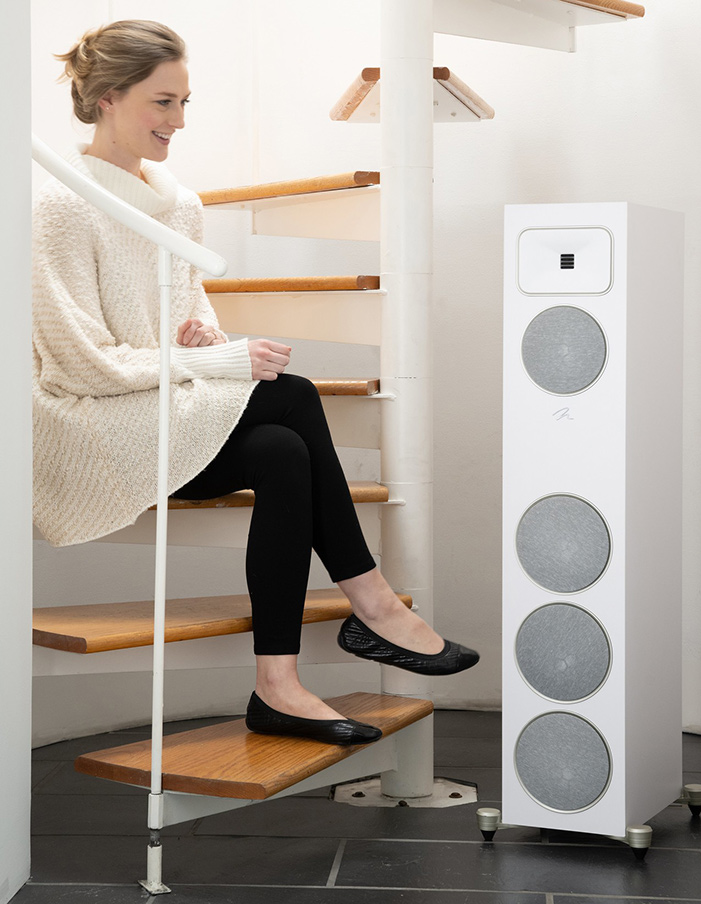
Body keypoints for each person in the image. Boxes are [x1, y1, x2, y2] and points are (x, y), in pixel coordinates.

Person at [34, 19, 479, 746]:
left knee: (282, 450)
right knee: (292, 395)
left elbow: (186, 314)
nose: (179, 122)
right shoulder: (61, 206)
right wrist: (222, 361)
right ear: (109, 97)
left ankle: (277, 685)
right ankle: (372, 604)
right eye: (162, 102)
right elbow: (80, 365)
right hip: (93, 426)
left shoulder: (178, 204)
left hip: (165, 410)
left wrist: (204, 337)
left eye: (185, 102)